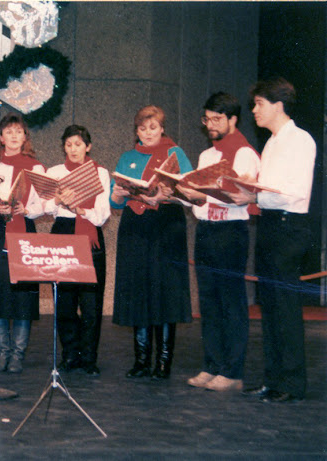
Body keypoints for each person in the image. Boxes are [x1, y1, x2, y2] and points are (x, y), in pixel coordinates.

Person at [227, 78, 316, 403]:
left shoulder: (300, 140)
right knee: (270, 307)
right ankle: (273, 379)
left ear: (278, 104)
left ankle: (290, 383)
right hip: (270, 226)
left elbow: (293, 192)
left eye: (259, 104)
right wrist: (252, 188)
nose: (254, 111)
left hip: (288, 226)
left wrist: (254, 190)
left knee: (286, 308)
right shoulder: (273, 142)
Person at [180, 92, 260, 392]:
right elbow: (199, 203)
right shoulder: (207, 155)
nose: (210, 125)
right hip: (206, 230)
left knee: (231, 303)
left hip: (230, 232)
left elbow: (241, 198)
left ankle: (232, 371)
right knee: (209, 302)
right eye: (207, 119)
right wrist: (190, 195)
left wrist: (209, 192)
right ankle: (211, 365)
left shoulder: (245, 154)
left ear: (232, 120)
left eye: (216, 119)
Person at [110, 105, 192, 380]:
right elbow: (113, 200)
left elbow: (191, 191)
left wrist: (167, 195)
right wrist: (120, 194)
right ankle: (142, 360)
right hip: (135, 227)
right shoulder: (127, 157)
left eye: (153, 128)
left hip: (167, 225)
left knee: (164, 292)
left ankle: (163, 362)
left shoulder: (175, 153)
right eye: (142, 128)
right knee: (138, 291)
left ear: (162, 128)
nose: (148, 133)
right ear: (136, 130)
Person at [0, 113, 45, 374]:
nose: (15, 136)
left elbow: (43, 205)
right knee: (0, 294)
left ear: (25, 137)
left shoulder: (36, 167)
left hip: (23, 230)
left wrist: (25, 208)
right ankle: (2, 352)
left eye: (19, 132)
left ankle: (17, 354)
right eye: (9, 131)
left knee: (23, 298)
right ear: (1, 137)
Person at [43, 125, 111, 376]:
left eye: (78, 144)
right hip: (62, 230)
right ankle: (70, 355)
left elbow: (103, 214)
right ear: (64, 147)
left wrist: (82, 210)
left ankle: (89, 357)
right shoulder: (54, 171)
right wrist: (58, 201)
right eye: (69, 144)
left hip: (89, 231)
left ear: (88, 146)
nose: (73, 149)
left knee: (91, 301)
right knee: (64, 301)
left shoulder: (100, 172)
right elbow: (43, 206)